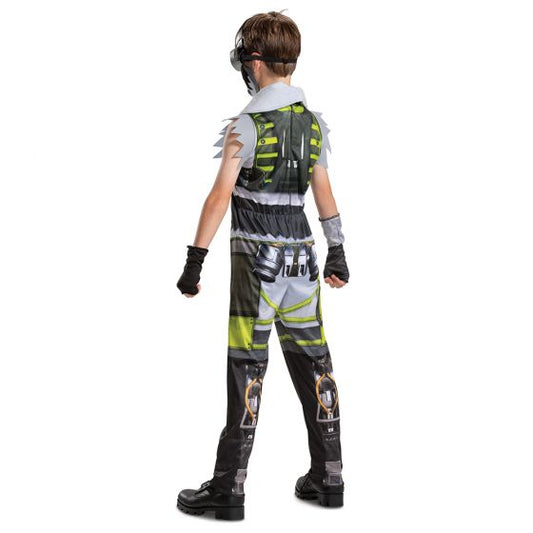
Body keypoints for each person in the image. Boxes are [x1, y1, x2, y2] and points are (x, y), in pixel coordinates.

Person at [175, 11, 350, 521]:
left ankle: (229, 487)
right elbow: (324, 192)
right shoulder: (313, 125)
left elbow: (219, 197)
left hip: (257, 265)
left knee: (247, 367)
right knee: (316, 363)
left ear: (253, 62)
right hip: (303, 260)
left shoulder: (246, 126)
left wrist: (194, 261)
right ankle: (329, 475)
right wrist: (337, 250)